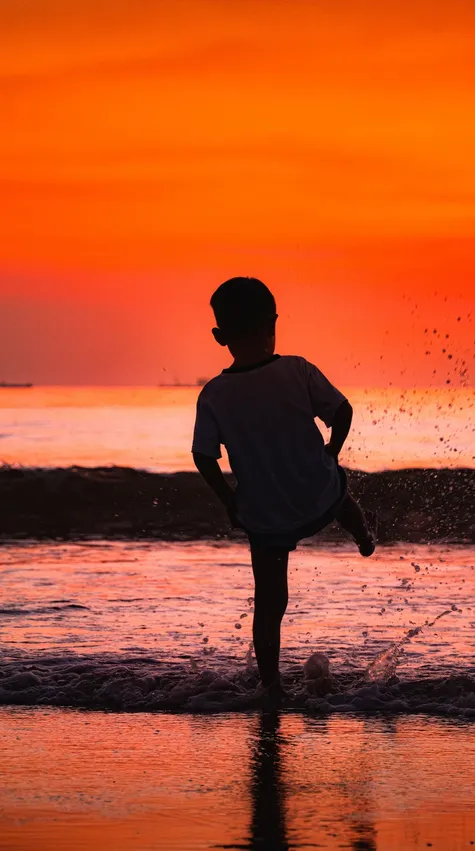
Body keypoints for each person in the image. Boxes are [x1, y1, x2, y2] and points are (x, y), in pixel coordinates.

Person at [192, 277, 376, 705]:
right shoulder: (297, 369)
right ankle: (364, 536)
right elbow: (342, 411)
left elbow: (204, 456)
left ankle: (270, 684)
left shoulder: (215, 394)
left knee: (270, 601)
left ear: (220, 337)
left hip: (264, 511)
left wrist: (229, 500)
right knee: (341, 498)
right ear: (274, 322)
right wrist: (332, 449)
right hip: (316, 490)